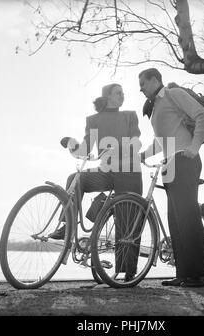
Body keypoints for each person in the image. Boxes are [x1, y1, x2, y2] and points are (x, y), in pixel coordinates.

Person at [50, 83, 143, 281]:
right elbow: (84, 150)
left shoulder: (129, 116)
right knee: (75, 178)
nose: (122, 96)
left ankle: (128, 273)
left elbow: (137, 142)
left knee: (126, 222)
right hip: (107, 171)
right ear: (108, 96)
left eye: (123, 93)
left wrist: (120, 149)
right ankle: (68, 225)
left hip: (129, 171)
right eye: (118, 93)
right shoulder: (93, 120)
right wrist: (70, 143)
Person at [138, 68, 204, 287]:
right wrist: (142, 155)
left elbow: (203, 116)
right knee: (175, 220)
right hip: (169, 163)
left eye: (143, 83)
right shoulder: (157, 107)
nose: (140, 88)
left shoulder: (172, 94)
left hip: (184, 159)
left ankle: (200, 275)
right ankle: (184, 274)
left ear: (155, 80)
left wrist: (194, 147)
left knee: (188, 217)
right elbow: (162, 141)